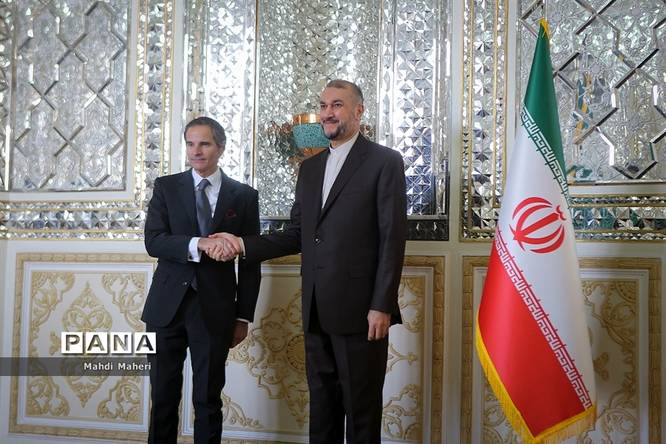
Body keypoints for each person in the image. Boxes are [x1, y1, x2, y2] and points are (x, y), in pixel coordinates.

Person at [212, 79, 407, 443]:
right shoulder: (310, 168)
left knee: (362, 414)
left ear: (358, 111)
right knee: (323, 410)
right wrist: (240, 244)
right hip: (315, 309)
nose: (327, 113)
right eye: (323, 105)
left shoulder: (385, 161)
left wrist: (382, 305)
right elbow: (296, 234)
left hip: (362, 313)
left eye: (337, 105)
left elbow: (392, 239)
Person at [142, 116, 261, 444]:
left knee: (208, 400)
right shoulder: (166, 187)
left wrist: (243, 316)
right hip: (165, 308)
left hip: (215, 310)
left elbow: (251, 262)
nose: (196, 151)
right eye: (190, 144)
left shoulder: (244, 196)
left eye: (204, 144)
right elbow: (154, 241)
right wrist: (200, 244)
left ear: (220, 147)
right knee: (163, 398)